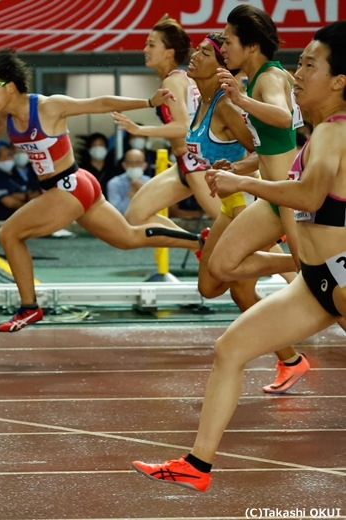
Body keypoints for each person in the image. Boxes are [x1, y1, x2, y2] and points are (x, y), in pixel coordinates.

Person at [133, 21, 346, 492]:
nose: (298, 72)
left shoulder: (336, 131)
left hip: (339, 277)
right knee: (229, 350)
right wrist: (247, 170)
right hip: (315, 282)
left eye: (311, 64)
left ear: (339, 81)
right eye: (300, 62)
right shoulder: (319, 133)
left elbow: (309, 197)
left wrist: (243, 183)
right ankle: (197, 463)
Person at [0, 50, 202, 332]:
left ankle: (29, 308)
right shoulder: (7, 118)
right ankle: (200, 242)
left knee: (9, 234)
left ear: (11, 86)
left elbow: (99, 103)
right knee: (127, 238)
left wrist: (148, 102)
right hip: (78, 185)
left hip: (69, 188)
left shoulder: (48, 107)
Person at [205, 4, 309, 390]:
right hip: (270, 194)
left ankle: (305, 267)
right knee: (223, 266)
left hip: (291, 198)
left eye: (229, 41)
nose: (224, 47)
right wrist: (241, 169)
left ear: (250, 46)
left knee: (324, 289)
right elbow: (274, 144)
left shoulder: (268, 78)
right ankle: (298, 265)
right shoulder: (255, 80)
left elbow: (282, 119)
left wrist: (240, 98)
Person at [114, 15, 221, 230]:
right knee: (135, 215)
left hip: (196, 163)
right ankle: (198, 243)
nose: (145, 49)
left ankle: (291, 263)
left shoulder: (173, 81)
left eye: (151, 44)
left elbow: (183, 128)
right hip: (185, 162)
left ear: (169, 52)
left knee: (237, 227)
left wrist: (139, 130)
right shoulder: (182, 78)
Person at [0, 141, 39, 220]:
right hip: (2, 221)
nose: (6, 159)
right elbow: (9, 202)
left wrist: (24, 196)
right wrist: (29, 205)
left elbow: (34, 194)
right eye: (2, 157)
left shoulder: (16, 176)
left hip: (20, 220)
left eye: (9, 155)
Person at [106, 149, 151, 215]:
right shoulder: (114, 183)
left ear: (145, 165)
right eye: (130, 163)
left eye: (138, 162)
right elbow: (116, 213)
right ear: (124, 165)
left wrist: (144, 192)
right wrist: (131, 195)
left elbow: (155, 209)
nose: (134, 166)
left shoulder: (149, 181)